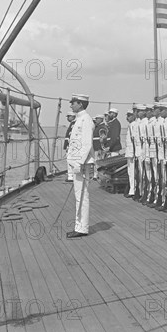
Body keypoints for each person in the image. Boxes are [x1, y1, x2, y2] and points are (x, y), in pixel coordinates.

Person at [66, 93, 95, 238]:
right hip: (77, 163)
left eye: (73, 103)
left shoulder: (86, 120)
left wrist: (79, 163)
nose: (71, 105)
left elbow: (87, 144)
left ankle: (82, 228)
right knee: (79, 196)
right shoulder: (79, 120)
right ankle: (79, 226)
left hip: (81, 164)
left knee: (82, 196)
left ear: (81, 104)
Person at [124, 109, 141, 198]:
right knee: (130, 172)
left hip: (133, 153)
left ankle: (133, 190)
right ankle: (132, 189)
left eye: (130, 115)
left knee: (133, 172)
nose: (128, 117)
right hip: (130, 153)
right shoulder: (130, 125)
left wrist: (135, 153)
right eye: (127, 115)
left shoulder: (134, 125)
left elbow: (136, 141)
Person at [92, 114, 107, 180]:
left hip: (99, 147)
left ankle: (97, 175)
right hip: (96, 146)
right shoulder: (98, 127)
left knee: (98, 161)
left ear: (101, 119)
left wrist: (100, 147)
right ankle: (96, 174)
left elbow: (103, 137)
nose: (96, 120)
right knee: (96, 161)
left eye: (97, 119)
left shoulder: (102, 127)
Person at [64, 112, 76, 182]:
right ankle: (71, 175)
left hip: (71, 146)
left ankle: (71, 176)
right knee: (71, 161)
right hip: (71, 145)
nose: (67, 118)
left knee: (70, 161)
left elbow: (71, 136)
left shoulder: (73, 124)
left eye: (68, 116)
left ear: (72, 117)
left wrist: (68, 146)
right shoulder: (72, 124)